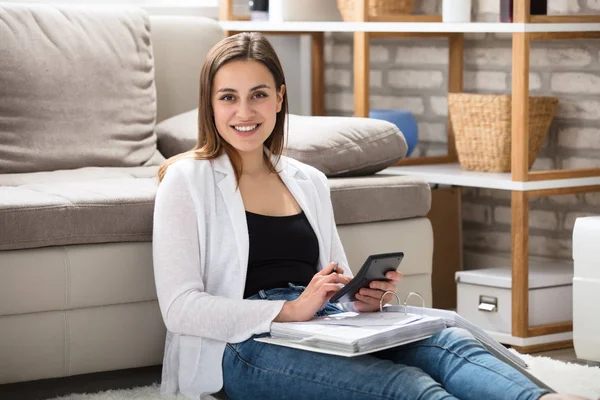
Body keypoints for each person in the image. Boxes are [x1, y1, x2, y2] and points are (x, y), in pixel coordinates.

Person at [152, 32, 587, 400]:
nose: (244, 113)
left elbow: (334, 282)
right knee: (404, 385)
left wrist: (360, 298)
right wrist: (290, 310)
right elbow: (180, 308)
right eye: (228, 98)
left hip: (323, 326)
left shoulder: (309, 180)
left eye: (259, 95)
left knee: (447, 344)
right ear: (209, 105)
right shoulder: (185, 181)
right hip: (242, 346)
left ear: (280, 99)